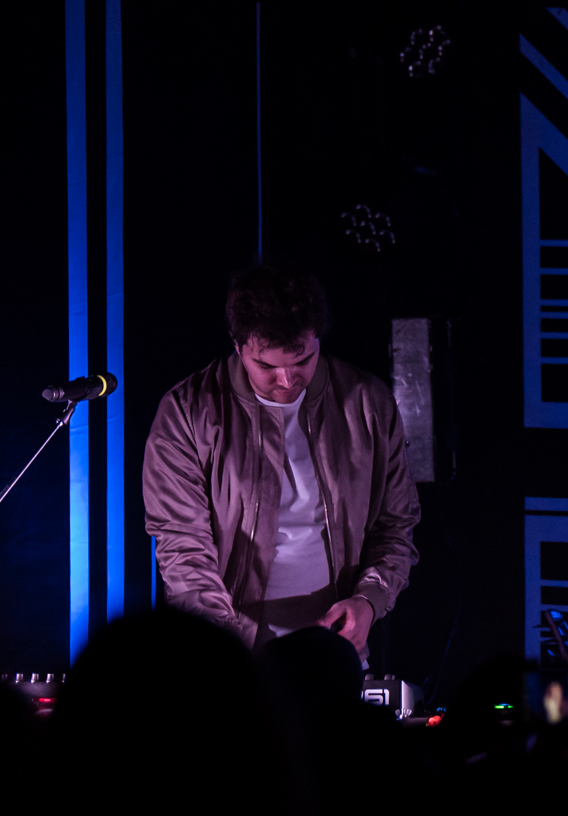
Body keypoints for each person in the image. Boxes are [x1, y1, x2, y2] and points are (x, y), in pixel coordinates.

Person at [143, 264, 420, 655]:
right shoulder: (187, 411)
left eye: (302, 360)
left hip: (333, 651)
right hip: (229, 652)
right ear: (237, 346)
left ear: (318, 339)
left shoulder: (368, 402)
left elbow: (396, 527)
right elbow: (183, 545)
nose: (287, 381)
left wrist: (369, 600)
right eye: (267, 366)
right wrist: (221, 645)